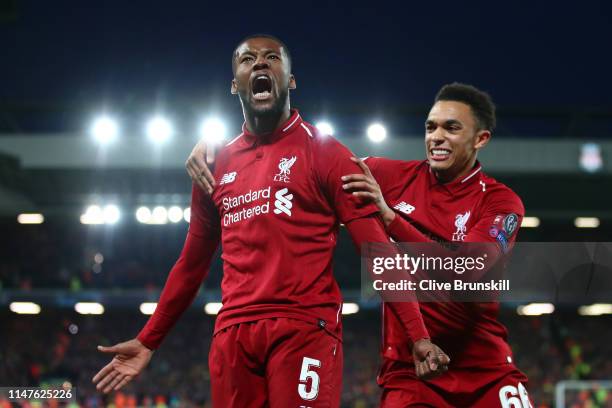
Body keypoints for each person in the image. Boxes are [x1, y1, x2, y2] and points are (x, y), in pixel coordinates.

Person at [93, 34, 449, 407]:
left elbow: (378, 252)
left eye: (271, 58)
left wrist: (418, 335)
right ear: (235, 85)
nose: (259, 64)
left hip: (304, 328)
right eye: (247, 60)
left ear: (291, 80)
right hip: (232, 335)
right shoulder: (213, 166)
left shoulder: (327, 154)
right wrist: (150, 338)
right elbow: (191, 264)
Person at [187, 82, 532, 407]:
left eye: (451, 128)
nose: (436, 137)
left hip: (485, 371)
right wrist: (228, 151)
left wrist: (391, 219)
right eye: (431, 127)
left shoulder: (501, 203)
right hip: (410, 371)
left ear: (480, 138)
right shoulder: (389, 175)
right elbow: (306, 161)